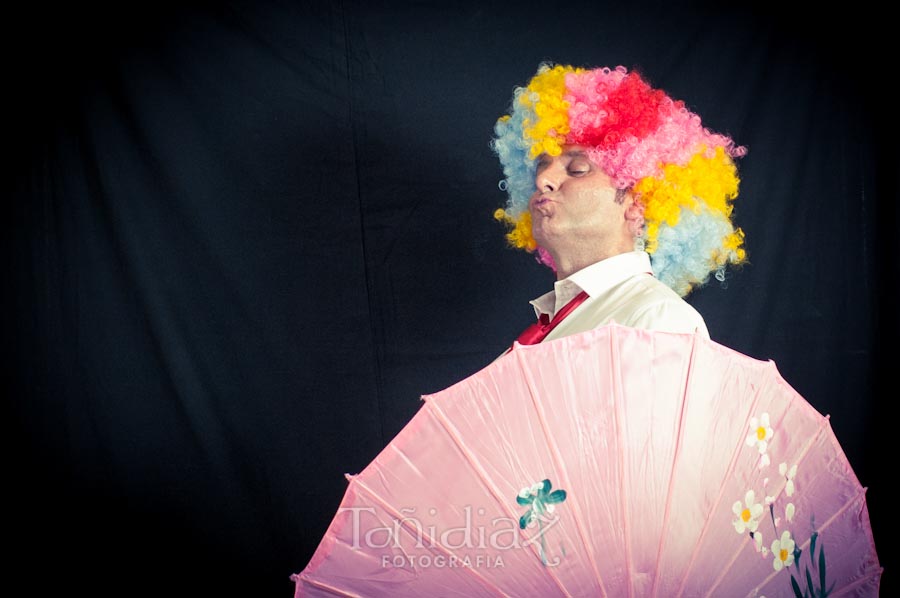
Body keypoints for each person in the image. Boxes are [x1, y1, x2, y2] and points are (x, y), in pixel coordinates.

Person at [491, 63, 747, 345]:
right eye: (540, 167)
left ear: (638, 202)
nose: (543, 180)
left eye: (577, 169)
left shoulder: (656, 318)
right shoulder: (554, 324)